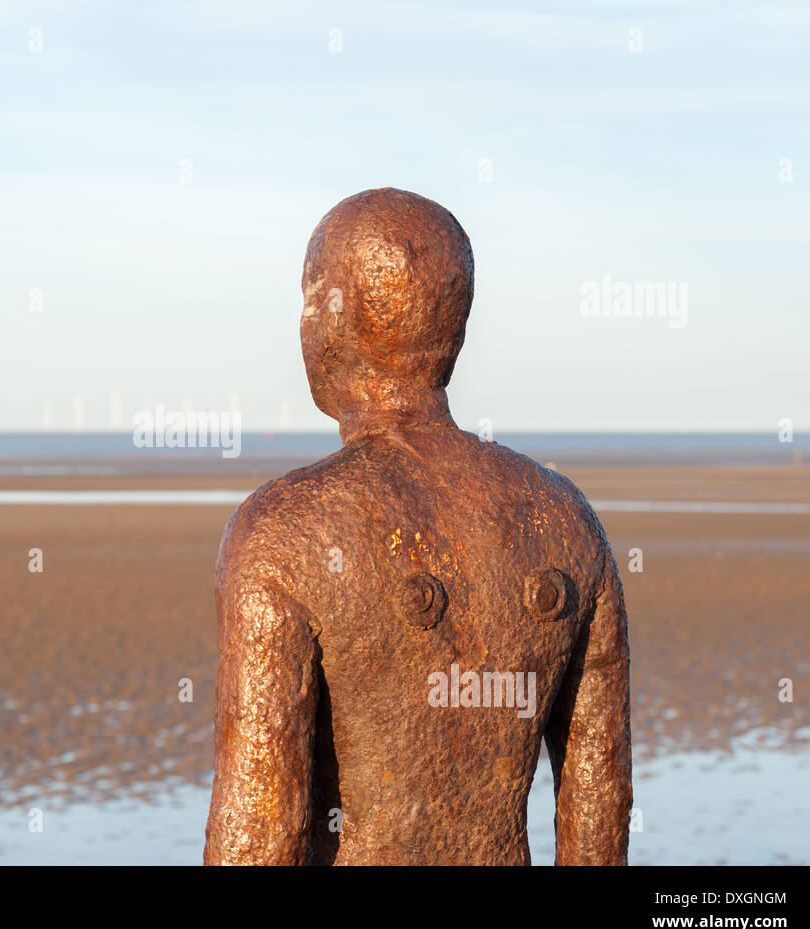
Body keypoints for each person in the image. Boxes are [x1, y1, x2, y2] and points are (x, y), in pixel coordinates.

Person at [203, 188, 631, 865]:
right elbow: (599, 810)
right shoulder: (565, 519)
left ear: (331, 318)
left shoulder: (281, 533)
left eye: (312, 296)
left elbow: (257, 831)